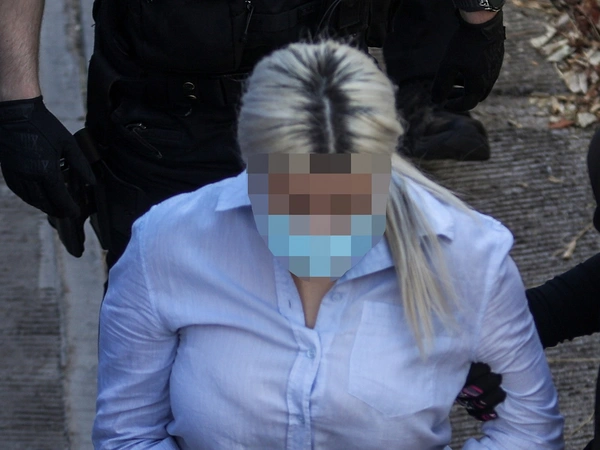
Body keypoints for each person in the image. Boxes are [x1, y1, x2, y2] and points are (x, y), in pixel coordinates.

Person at [93, 40, 563, 449]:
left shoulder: (469, 255)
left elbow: (529, 431)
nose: (321, 237)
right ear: (249, 168)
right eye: (291, 212)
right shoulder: (167, 244)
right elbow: (128, 434)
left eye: (349, 210)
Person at [0, 0, 506, 268]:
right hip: (161, 122)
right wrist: (17, 102)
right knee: (164, 332)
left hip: (323, 107)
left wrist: (478, 16)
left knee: (330, 328)